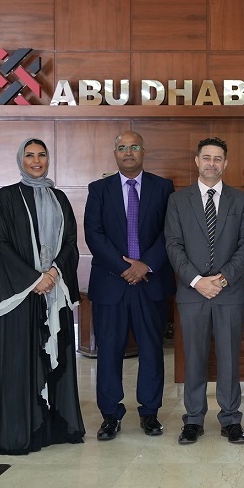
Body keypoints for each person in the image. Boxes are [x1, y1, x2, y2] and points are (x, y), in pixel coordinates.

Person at [0, 139, 86, 455]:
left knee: (54, 362)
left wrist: (53, 274)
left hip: (54, 292)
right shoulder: (7, 197)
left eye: (42, 155)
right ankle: (18, 431)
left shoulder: (59, 197)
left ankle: (53, 427)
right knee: (19, 362)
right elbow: (0, 243)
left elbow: (70, 241)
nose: (36, 160)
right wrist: (34, 279)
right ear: (20, 160)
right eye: (30, 155)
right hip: (20, 295)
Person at [84, 131, 175, 441]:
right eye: (121, 147)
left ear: (143, 151)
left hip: (151, 282)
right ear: (115, 153)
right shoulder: (98, 189)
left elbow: (169, 233)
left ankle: (150, 413)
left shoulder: (163, 188)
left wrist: (144, 265)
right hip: (112, 284)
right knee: (109, 351)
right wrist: (126, 267)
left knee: (152, 350)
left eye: (134, 147)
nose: (128, 152)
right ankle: (110, 415)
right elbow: (93, 234)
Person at [165, 137, 244, 445]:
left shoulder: (240, 200)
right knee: (194, 357)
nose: (212, 164)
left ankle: (231, 419)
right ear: (197, 161)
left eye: (218, 159)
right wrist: (196, 280)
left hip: (228, 292)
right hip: (192, 293)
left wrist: (222, 279)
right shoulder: (178, 200)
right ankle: (193, 420)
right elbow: (173, 245)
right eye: (207, 158)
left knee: (230, 358)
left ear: (225, 163)